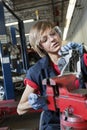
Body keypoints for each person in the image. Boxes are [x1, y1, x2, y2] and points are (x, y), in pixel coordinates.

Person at [17, 20, 87, 130]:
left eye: (53, 33)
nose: (52, 39)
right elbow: (20, 109)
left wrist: (84, 51)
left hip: (83, 117)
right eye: (45, 39)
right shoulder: (37, 72)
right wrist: (37, 101)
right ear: (40, 46)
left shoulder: (76, 58)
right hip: (55, 123)